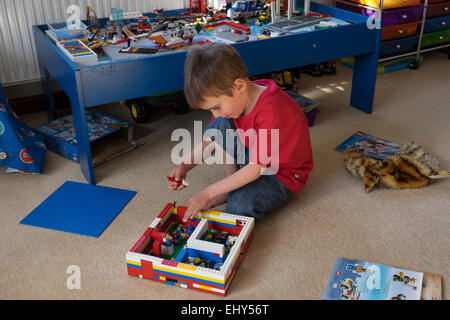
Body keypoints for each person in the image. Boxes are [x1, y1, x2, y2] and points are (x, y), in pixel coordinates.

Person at [168, 43, 313, 222]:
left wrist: (208, 192)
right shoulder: (240, 98)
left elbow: (255, 169)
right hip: (255, 155)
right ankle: (232, 185)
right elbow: (212, 140)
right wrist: (184, 165)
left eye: (217, 107)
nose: (215, 114)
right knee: (221, 124)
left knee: (238, 207)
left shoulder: (271, 110)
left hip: (282, 172)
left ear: (239, 86)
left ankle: (234, 190)